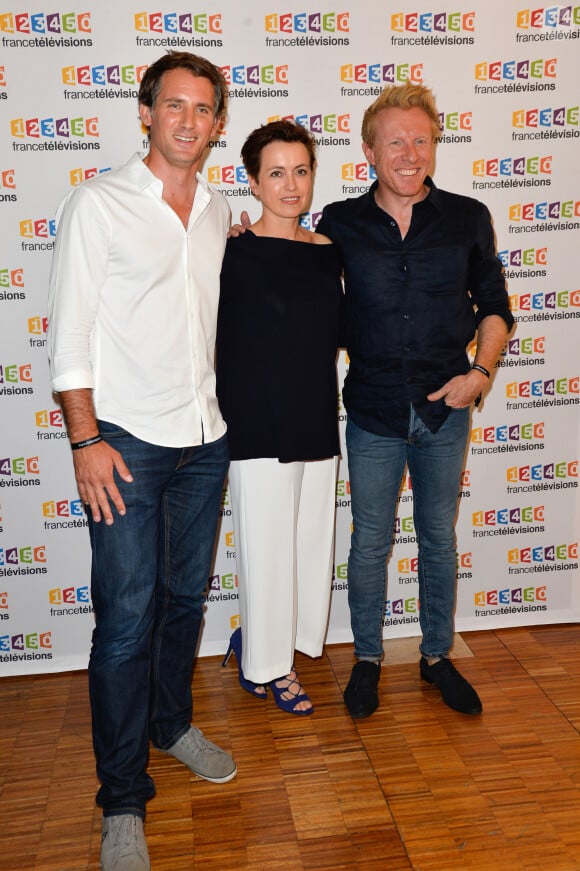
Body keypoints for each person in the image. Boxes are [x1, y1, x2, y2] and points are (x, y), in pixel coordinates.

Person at [47, 51, 236, 871]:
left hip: (206, 438)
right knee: (124, 623)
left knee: (184, 599)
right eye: (175, 105)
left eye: (203, 109)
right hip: (122, 445)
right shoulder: (100, 203)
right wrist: (86, 440)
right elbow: (70, 337)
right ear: (146, 112)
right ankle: (121, 797)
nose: (188, 120)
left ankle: (170, 723)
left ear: (217, 123)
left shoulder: (220, 207)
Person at [316, 82, 514, 719]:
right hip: (372, 409)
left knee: (437, 537)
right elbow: (294, 286)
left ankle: (436, 657)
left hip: (444, 408)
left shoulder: (466, 218)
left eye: (421, 139)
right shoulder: (339, 223)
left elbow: (496, 309)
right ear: (369, 150)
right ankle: (367, 659)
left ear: (435, 145)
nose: (409, 152)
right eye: (395, 140)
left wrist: (479, 374)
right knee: (370, 539)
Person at [216, 120, 342, 715]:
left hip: (317, 418)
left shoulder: (328, 253)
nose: (291, 185)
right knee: (266, 549)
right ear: (253, 181)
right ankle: (268, 668)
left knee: (308, 546)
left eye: (301, 171)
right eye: (276, 173)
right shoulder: (229, 250)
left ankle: (276, 644)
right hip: (257, 425)